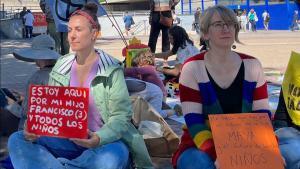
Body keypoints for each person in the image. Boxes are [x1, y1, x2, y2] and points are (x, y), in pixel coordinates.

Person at [8, 3, 153, 169]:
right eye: (69, 30)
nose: (72, 36)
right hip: (67, 140)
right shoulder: (61, 66)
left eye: (78, 30)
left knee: (113, 157)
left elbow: (121, 117)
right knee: (17, 140)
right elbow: (50, 110)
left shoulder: (111, 69)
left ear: (94, 33)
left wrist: (98, 138)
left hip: (103, 143)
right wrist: (33, 127)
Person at [171, 5, 271, 169]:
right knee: (201, 164)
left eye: (230, 23)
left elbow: (262, 116)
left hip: (247, 144)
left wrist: (268, 151)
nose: (226, 28)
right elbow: (194, 122)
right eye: (218, 24)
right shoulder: (192, 68)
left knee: (292, 152)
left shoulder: (252, 65)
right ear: (205, 33)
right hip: (201, 144)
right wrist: (221, 156)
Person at [6, 34, 60, 130]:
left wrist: (11, 105)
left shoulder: (37, 78)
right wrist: (25, 97)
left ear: (38, 56)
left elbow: (25, 113)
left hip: (36, 129)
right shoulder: (62, 73)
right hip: (57, 124)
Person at [125, 50, 174, 118]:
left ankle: (172, 112)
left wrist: (123, 70)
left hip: (161, 95)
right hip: (153, 94)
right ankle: (165, 107)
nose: (137, 67)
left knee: (155, 114)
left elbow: (136, 71)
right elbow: (135, 76)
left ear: (146, 62)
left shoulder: (150, 68)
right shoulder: (145, 70)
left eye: (138, 65)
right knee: (151, 109)